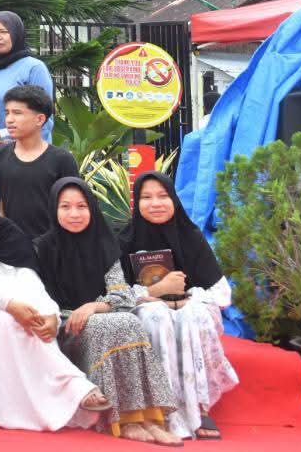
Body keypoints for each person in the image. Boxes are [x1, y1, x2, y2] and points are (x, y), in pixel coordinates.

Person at [0, 166, 112, 431]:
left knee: (27, 316)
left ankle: (60, 393)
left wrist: (50, 313)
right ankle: (74, 385)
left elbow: (29, 278)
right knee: (6, 320)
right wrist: (10, 305)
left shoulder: (9, 230)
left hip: (16, 298)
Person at [37, 179, 182, 445]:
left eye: (82, 206)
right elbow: (41, 301)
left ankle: (147, 417)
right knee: (111, 324)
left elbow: (121, 293)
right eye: (65, 206)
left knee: (125, 320)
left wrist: (93, 306)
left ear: (92, 208)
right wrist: (79, 314)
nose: (74, 213)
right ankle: (121, 420)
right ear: (54, 210)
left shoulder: (104, 244)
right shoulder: (41, 249)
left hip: (98, 314)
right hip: (66, 327)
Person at [120, 172, 238, 440]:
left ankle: (199, 405)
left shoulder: (191, 236)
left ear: (174, 199)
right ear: (136, 203)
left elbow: (220, 291)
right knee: (156, 316)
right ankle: (160, 406)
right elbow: (116, 292)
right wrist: (155, 293)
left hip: (189, 304)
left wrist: (187, 299)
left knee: (192, 316)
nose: (156, 203)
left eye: (163, 196)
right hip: (148, 306)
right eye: (146, 197)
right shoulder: (125, 240)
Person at [0, 84, 78, 238]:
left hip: (51, 247)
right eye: (7, 113)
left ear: (40, 119)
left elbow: (71, 206)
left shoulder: (62, 159)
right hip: (8, 245)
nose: (9, 119)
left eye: (17, 113)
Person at [0, 10, 55, 157]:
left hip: (26, 155)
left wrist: (32, 153)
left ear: (16, 34)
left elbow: (45, 115)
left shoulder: (33, 68)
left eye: (3, 31)